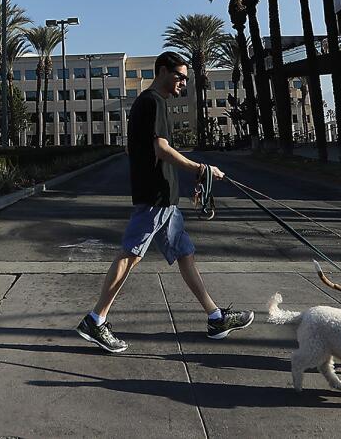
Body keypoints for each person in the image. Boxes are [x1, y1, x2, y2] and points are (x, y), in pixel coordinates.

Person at [76, 51, 254, 353]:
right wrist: (200, 169)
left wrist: (188, 178)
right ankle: (96, 319)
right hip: (155, 198)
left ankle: (215, 317)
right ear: (161, 71)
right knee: (130, 254)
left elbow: (143, 152)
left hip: (165, 198)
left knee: (184, 253)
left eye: (186, 78)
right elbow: (161, 149)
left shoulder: (149, 104)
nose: (182, 83)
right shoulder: (153, 101)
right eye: (179, 76)